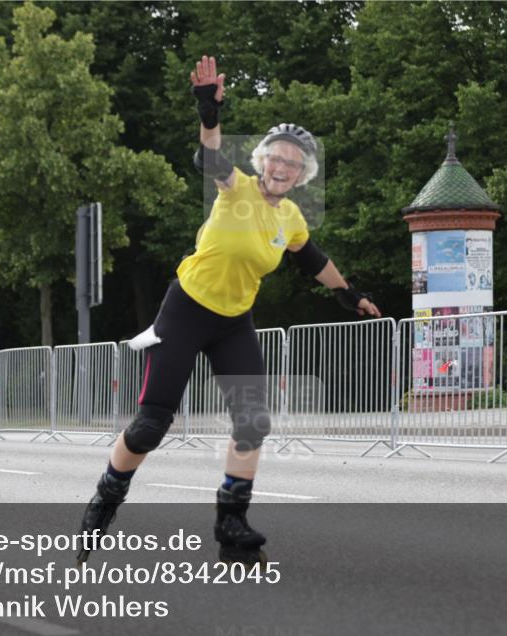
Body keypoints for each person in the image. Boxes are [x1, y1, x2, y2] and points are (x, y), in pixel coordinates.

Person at [78, 55, 381, 563]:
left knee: (252, 422)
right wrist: (209, 114)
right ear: (263, 161)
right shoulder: (235, 186)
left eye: (293, 163)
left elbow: (312, 259)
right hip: (186, 310)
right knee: (151, 425)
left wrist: (349, 294)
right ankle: (106, 496)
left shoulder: (291, 218)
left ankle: (232, 523)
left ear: (302, 174)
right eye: (276, 157)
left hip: (233, 323)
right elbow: (209, 158)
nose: (282, 167)